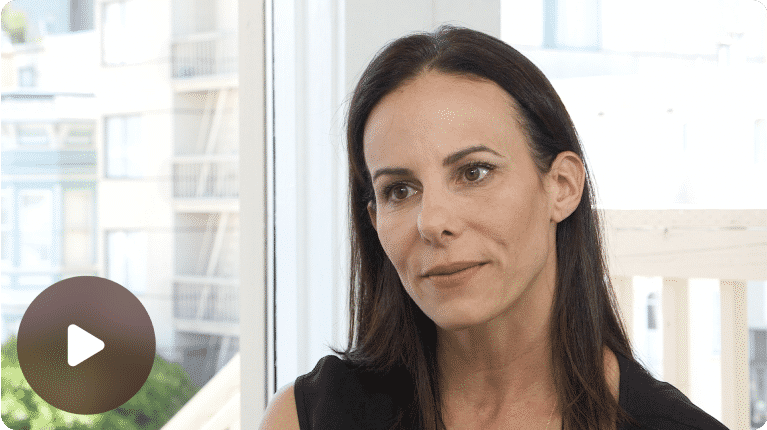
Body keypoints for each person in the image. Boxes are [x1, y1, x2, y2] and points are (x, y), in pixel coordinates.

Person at [259, 25, 730, 430]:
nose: (433, 222)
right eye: (399, 190)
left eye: (474, 172)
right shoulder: (304, 418)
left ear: (562, 186)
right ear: (374, 219)